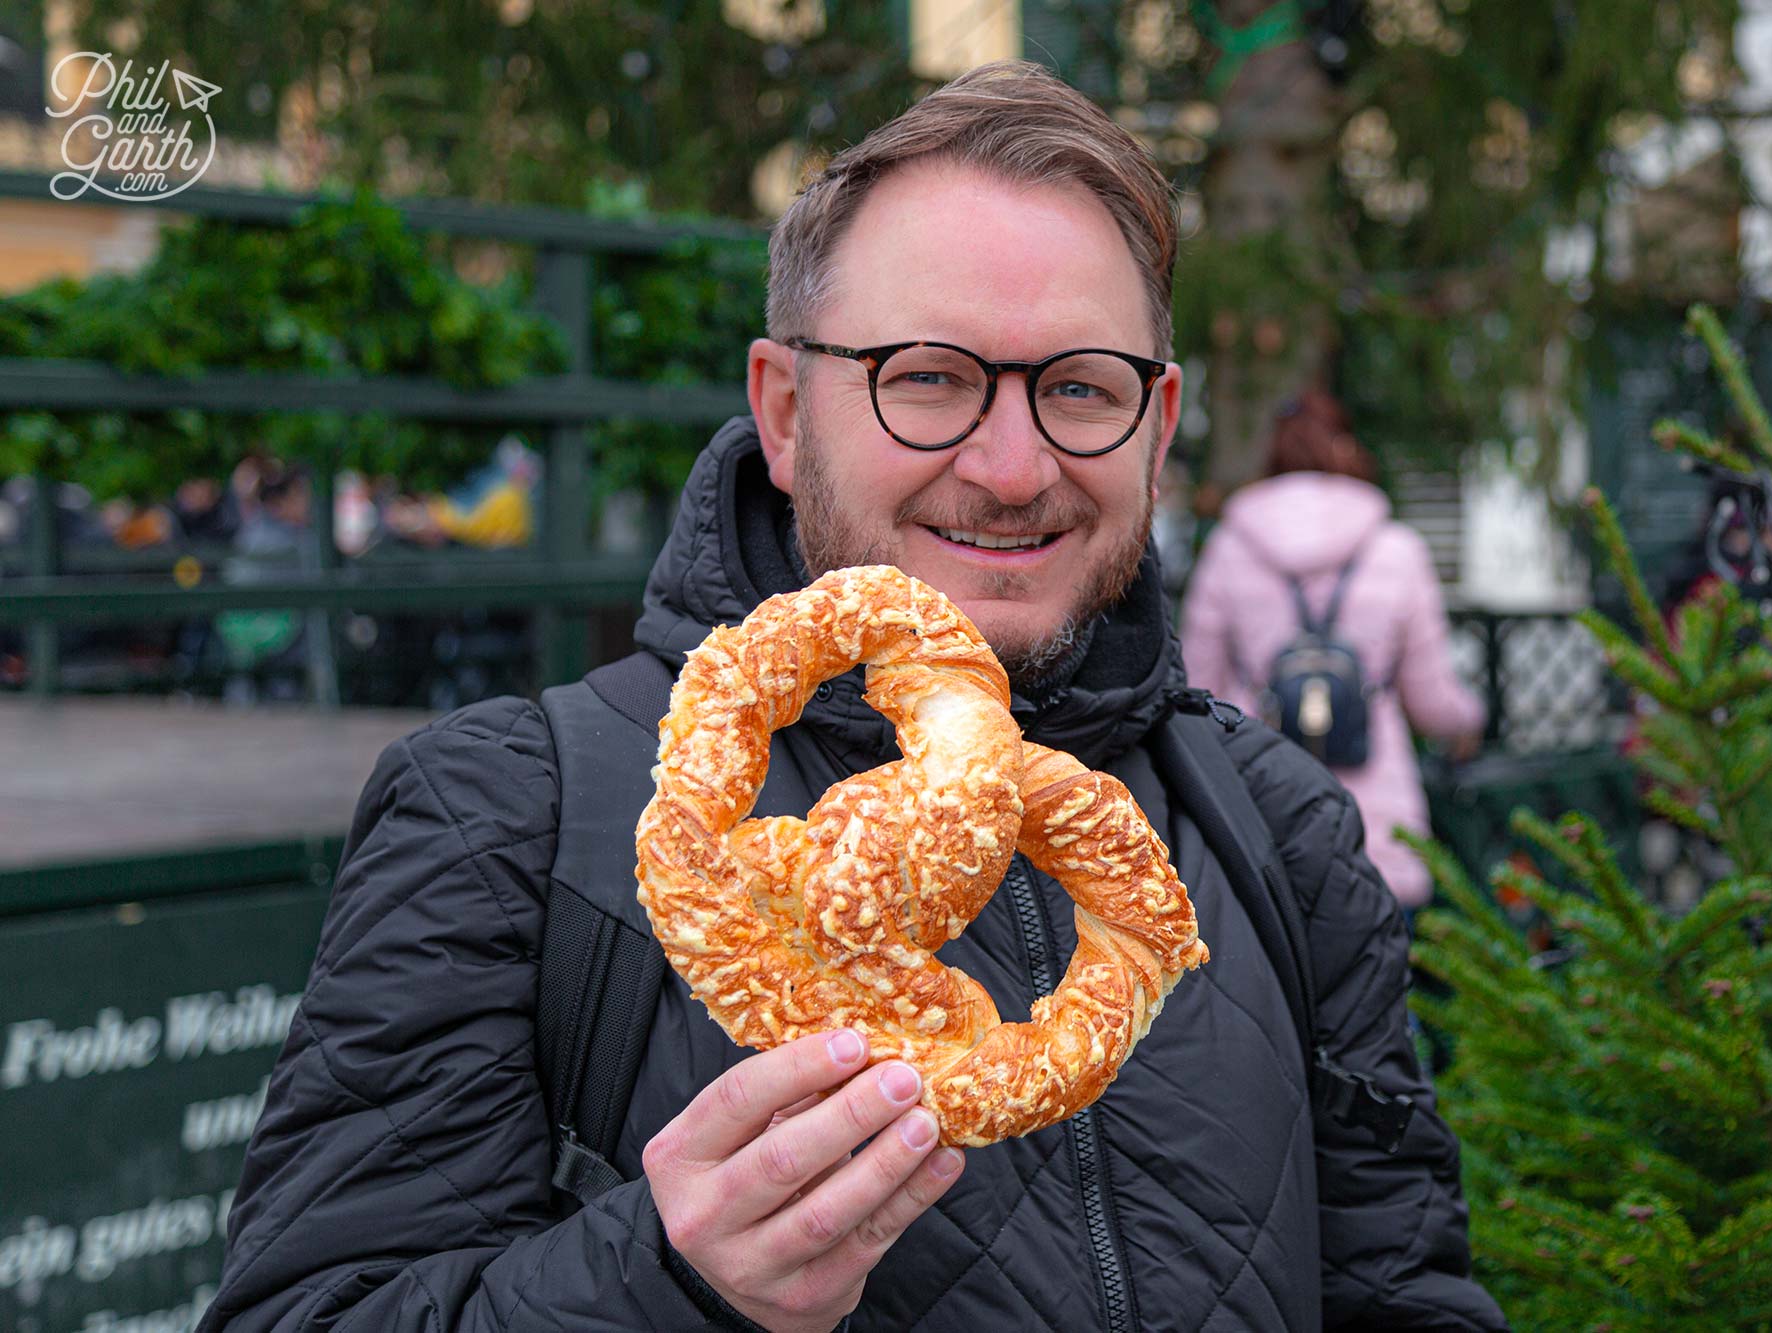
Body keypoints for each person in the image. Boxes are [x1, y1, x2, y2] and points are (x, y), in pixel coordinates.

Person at [202, 63, 1504, 1332]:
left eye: (1079, 389)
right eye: (927, 377)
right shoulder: (508, 814)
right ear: (783, 408)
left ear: (1157, 430)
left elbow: (1409, 1294)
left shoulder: (1277, 828)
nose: (1009, 466)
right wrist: (664, 1284)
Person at [1180, 391, 1485, 910]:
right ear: (1344, 448)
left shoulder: (1230, 549)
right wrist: (1471, 721)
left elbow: (1194, 691)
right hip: (1375, 834)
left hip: (1258, 817)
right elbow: (1434, 704)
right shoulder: (1397, 550)